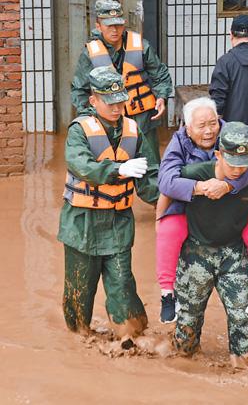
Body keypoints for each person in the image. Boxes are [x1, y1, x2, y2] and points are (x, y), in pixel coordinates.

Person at [58, 66, 159, 349]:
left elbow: (150, 177)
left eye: (120, 101)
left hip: (118, 221)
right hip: (82, 222)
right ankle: (79, 337)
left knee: (122, 281)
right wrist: (119, 169)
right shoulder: (80, 131)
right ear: (93, 101)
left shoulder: (133, 130)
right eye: (109, 101)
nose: (117, 107)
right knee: (80, 288)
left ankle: (130, 335)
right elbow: (81, 165)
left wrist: (171, 201)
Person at [156, 97, 248, 324]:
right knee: (169, 229)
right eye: (202, 126)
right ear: (187, 128)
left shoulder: (232, 136)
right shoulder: (179, 145)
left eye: (213, 123)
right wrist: (200, 187)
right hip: (193, 210)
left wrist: (228, 185)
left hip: (234, 213)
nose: (210, 131)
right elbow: (166, 184)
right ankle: (167, 295)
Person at [172, 122, 248, 368]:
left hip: (234, 251)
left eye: (244, 163)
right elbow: (167, 192)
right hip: (196, 252)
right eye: (232, 163)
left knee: (243, 316)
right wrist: (161, 224)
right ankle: (185, 361)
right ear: (218, 155)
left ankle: (244, 366)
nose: (239, 170)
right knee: (188, 318)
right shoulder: (194, 173)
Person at [71, 0, 172, 162]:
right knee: (113, 166)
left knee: (150, 166)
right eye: (109, 25)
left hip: (142, 119)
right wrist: (88, 118)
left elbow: (160, 74)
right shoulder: (90, 54)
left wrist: (162, 97)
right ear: (98, 26)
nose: (115, 30)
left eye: (118, 24)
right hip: (108, 122)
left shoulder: (141, 46)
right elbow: (79, 90)